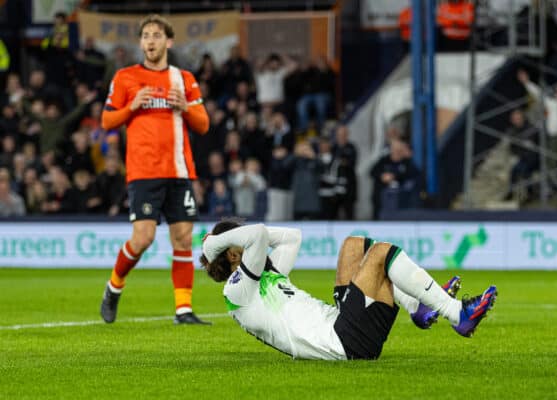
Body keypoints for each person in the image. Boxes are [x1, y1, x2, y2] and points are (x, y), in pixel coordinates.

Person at [200, 220, 497, 360]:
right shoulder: (238, 292)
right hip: (342, 343)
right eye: (237, 240)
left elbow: (292, 237)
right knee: (381, 253)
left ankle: (418, 308)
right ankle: (458, 315)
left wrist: (222, 241)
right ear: (234, 256)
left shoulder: (266, 275)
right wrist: (214, 243)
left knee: (354, 245)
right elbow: (259, 234)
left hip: (340, 326)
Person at [99, 14, 211, 325]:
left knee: (184, 239)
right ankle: (113, 287)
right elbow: (107, 121)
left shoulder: (183, 79)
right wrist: (131, 107)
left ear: (168, 42)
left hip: (178, 169)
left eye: (157, 35)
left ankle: (183, 310)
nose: (151, 40)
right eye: (146, 35)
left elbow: (204, 125)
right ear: (141, 42)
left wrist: (185, 108)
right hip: (144, 171)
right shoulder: (125, 78)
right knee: (143, 238)